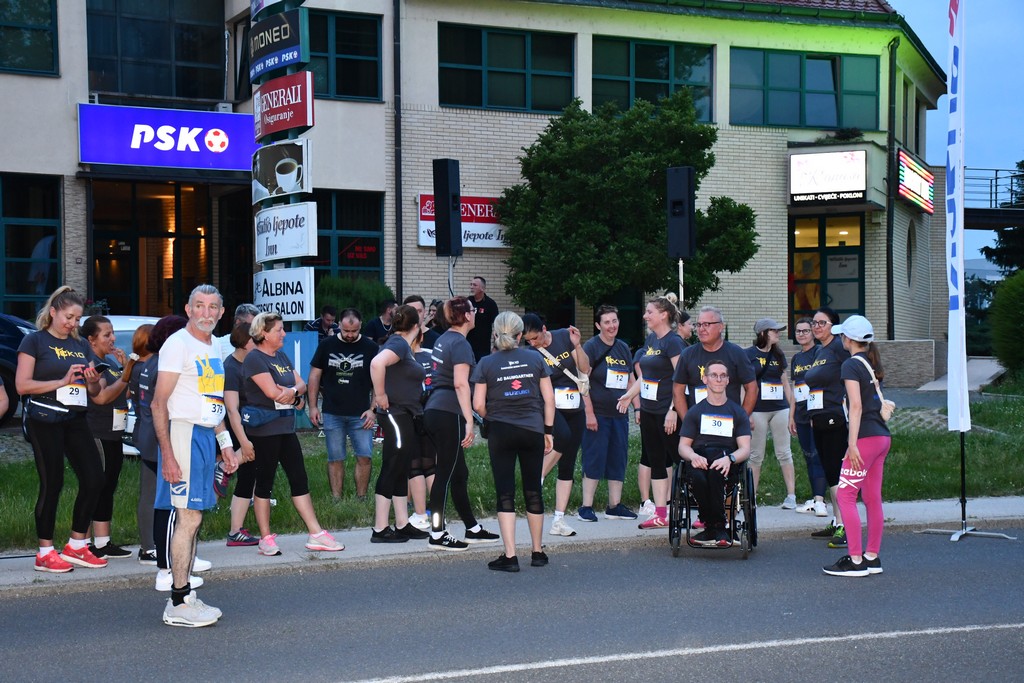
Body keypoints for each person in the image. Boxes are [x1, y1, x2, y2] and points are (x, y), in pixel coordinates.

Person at [151, 284, 238, 626]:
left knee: (196, 517)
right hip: (184, 433)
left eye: (212, 307)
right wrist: (168, 456)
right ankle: (177, 601)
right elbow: (158, 403)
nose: (206, 313)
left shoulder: (213, 345)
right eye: (199, 306)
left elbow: (211, 400)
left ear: (221, 312)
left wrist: (226, 443)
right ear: (188, 310)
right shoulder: (177, 345)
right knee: (187, 517)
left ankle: (185, 595)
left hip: (205, 434)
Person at [16, 286, 107, 573]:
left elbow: (95, 391)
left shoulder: (80, 345)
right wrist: (62, 381)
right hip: (44, 418)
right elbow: (22, 385)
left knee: (95, 478)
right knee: (52, 482)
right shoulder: (34, 341)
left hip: (75, 417)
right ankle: (44, 552)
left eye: (78, 319)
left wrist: (92, 380)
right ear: (53, 312)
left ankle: (77, 545)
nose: (73, 323)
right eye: (69, 317)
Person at [242, 312, 344, 557]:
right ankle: (265, 538)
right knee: (264, 483)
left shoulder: (281, 356)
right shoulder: (254, 359)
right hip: (264, 431)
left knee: (299, 478)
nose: (284, 334)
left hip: (286, 428)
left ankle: (316, 534)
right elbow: (271, 392)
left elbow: (302, 384)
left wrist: (292, 393)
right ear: (263, 333)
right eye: (279, 330)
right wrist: (291, 394)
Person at [472, 312, 555, 572]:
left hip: (501, 432)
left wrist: (493, 417)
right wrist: (548, 431)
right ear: (520, 335)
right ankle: (538, 551)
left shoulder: (486, 363)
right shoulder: (536, 357)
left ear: (495, 334)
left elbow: (477, 404)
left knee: (505, 492)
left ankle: (510, 557)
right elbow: (549, 399)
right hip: (532, 430)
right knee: (533, 489)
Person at [140, 316, 210, 591]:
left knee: (168, 505)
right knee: (170, 507)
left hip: (154, 436)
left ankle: (176, 559)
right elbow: (162, 403)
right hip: (167, 436)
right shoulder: (166, 361)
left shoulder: (150, 362)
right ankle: (167, 567)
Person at [424, 297, 499, 548]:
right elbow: (459, 383)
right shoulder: (460, 343)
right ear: (467, 316)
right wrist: (469, 420)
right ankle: (437, 533)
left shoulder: (444, 338)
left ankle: (471, 527)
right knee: (444, 474)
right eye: (473, 310)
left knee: (459, 473)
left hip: (435, 409)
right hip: (448, 412)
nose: (476, 313)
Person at [823, 315, 890, 577]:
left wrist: (851, 444)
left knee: (846, 496)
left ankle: (855, 560)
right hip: (881, 437)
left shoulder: (851, 365)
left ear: (847, 339)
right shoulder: (870, 363)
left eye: (842, 336)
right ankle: (871, 556)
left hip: (864, 439)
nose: (841, 339)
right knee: (872, 498)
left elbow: (856, 405)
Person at [615, 297, 684, 530]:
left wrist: (674, 410)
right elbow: (646, 375)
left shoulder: (674, 342)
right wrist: (630, 394)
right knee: (656, 462)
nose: (645, 316)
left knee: (681, 461)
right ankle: (661, 514)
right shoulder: (652, 339)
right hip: (649, 411)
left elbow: (681, 378)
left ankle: (703, 509)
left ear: (663, 315)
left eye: (649, 312)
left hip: (668, 414)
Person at [522, 313, 591, 537]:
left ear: (544, 328)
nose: (533, 343)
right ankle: (536, 478)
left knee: (568, 463)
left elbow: (585, 368)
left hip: (574, 403)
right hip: (550, 404)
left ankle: (559, 520)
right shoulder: (531, 353)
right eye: (528, 340)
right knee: (562, 436)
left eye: (535, 338)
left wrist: (577, 345)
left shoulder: (564, 336)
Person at [368, 305, 431, 543]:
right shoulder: (399, 344)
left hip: (404, 414)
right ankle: (380, 528)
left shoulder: (401, 344)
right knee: (392, 467)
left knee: (401, 467)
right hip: (396, 413)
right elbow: (376, 364)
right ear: (416, 324)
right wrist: (380, 395)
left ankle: (402, 524)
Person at [677, 360, 752, 547]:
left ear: (728, 380)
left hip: (726, 457)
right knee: (698, 477)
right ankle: (713, 526)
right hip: (700, 456)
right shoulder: (695, 412)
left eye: (723, 376)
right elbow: (683, 446)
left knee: (716, 472)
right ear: (705, 379)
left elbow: (745, 448)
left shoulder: (737, 412)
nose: (718, 379)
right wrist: (693, 456)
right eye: (714, 375)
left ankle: (718, 527)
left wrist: (730, 458)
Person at [82, 314, 140, 560]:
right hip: (96, 432)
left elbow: (123, 393)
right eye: (107, 334)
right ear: (91, 340)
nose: (113, 338)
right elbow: (102, 397)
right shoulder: (93, 363)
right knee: (94, 486)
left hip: (114, 433)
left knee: (108, 486)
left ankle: (103, 542)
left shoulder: (110, 362)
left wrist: (126, 368)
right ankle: (81, 543)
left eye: (112, 332)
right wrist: (126, 374)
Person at [308, 308, 379, 500]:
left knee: (365, 456)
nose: (349, 335)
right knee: (335, 458)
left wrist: (373, 410)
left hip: (362, 414)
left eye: (353, 331)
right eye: (345, 331)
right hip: (332, 412)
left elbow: (379, 382)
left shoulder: (371, 348)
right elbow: (314, 376)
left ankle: (361, 497)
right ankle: (336, 499)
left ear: (360, 326)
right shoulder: (326, 345)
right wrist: (313, 406)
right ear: (338, 325)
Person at [579, 305, 637, 522]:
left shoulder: (622, 347)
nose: (612, 326)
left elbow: (631, 380)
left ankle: (614, 505)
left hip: (620, 415)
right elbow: (583, 381)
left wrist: (636, 407)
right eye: (606, 322)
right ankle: (586, 506)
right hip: (598, 414)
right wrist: (589, 412)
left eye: (615, 321)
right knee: (594, 457)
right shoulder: (592, 347)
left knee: (617, 458)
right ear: (598, 325)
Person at [803, 306, 852, 549]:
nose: (816, 327)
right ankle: (837, 520)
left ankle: (845, 526)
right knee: (830, 470)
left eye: (822, 323)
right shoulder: (821, 351)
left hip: (835, 416)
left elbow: (858, 369)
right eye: (814, 323)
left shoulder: (839, 348)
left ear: (834, 325)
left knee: (836, 472)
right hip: (819, 417)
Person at [745, 318, 797, 505]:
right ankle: (751, 497)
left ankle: (791, 495)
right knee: (755, 455)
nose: (778, 333)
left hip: (780, 409)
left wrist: (792, 410)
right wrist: (746, 412)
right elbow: (745, 384)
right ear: (763, 333)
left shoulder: (779, 355)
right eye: (774, 330)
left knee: (784, 452)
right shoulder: (748, 354)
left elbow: (785, 384)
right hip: (757, 410)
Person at [222, 323, 260, 546]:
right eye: (256, 339)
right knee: (245, 477)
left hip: (252, 428)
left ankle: (236, 530)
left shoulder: (251, 362)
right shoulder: (231, 368)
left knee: (249, 478)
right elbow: (231, 409)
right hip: (239, 430)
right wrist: (244, 443)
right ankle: (235, 531)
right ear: (247, 343)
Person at [125, 323, 157, 564]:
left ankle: (149, 545)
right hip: (154, 436)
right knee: (151, 494)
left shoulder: (135, 367)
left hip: (144, 434)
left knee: (149, 492)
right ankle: (148, 547)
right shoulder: (150, 368)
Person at [789, 317, 829, 517]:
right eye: (798, 331)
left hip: (816, 411)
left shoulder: (819, 353)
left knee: (818, 456)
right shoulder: (796, 359)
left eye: (805, 330)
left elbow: (820, 382)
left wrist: (816, 413)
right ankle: (815, 498)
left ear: (813, 333)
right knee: (808, 456)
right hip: (801, 414)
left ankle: (821, 501)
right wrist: (792, 416)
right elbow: (796, 388)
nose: (802, 334)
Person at [466, 276, 499, 361]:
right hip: (467, 344)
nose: (471, 287)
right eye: (471, 284)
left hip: (483, 347)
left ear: (483, 288)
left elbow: (497, 325)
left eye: (474, 285)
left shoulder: (490, 304)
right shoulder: (467, 302)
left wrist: (496, 346)